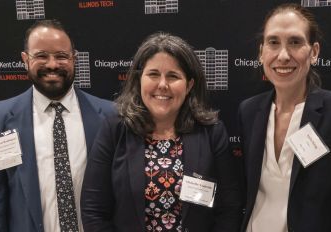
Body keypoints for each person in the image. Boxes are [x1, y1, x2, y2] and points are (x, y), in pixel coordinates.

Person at [81, 32, 243, 232]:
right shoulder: (115, 129)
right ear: (140, 79)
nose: (162, 85)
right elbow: (93, 210)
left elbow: (229, 208)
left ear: (189, 85)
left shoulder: (212, 133)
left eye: (173, 76)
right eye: (153, 74)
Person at [0, 19, 114, 232]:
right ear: (25, 60)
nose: (52, 64)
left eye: (61, 56)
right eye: (41, 56)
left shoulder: (111, 117)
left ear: (74, 59)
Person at [238, 3, 331, 232]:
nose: (283, 56)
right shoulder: (248, 111)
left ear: (314, 52)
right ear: (261, 51)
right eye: (273, 43)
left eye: (295, 42)